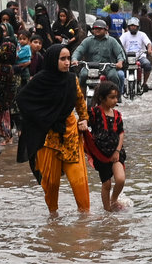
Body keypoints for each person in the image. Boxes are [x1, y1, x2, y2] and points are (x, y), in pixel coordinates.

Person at [16, 44, 90, 214]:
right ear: (52, 60)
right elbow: (23, 100)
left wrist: (84, 119)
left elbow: (79, 101)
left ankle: (85, 220)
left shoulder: (72, 80)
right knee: (51, 183)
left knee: (79, 180)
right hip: (48, 137)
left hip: (70, 133)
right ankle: (53, 218)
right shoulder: (40, 81)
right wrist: (41, 119)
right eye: (62, 59)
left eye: (68, 58)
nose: (66, 62)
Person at [85, 81, 126, 211]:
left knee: (120, 179)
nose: (115, 100)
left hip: (115, 152)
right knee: (106, 184)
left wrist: (118, 151)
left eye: (116, 97)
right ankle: (107, 211)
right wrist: (83, 124)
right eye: (112, 97)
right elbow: (85, 122)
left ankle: (113, 200)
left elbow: (120, 133)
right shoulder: (94, 113)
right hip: (100, 155)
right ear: (102, 98)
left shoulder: (117, 115)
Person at [72, 19, 125, 91]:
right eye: (95, 28)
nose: (97, 30)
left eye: (100, 29)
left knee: (113, 76)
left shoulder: (112, 41)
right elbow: (78, 51)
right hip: (89, 67)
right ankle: (82, 98)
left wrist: (120, 62)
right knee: (83, 76)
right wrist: (75, 59)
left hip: (108, 67)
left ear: (105, 30)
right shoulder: (87, 40)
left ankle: (115, 96)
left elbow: (119, 53)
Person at [120, 17, 152, 90]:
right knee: (120, 68)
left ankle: (144, 83)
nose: (133, 28)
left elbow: (148, 43)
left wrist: (149, 49)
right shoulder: (124, 35)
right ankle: (123, 84)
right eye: (131, 26)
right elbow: (119, 44)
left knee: (147, 65)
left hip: (140, 57)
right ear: (128, 27)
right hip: (127, 57)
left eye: (135, 26)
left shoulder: (142, 34)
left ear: (138, 27)